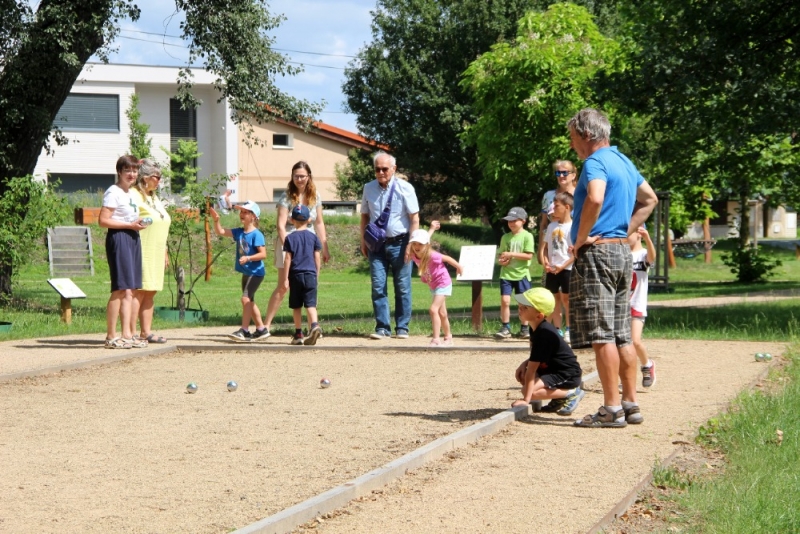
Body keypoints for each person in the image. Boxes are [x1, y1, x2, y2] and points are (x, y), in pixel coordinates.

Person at [567, 108, 658, 428]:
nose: (572, 144)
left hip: (598, 256)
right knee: (622, 335)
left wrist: (579, 239)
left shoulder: (595, 162)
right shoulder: (624, 160)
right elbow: (650, 199)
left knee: (603, 335)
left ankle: (610, 409)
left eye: (573, 137)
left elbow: (594, 198)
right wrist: (626, 230)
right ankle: (630, 404)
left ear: (586, 135)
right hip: (622, 255)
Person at [262, 161, 330, 337]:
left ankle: (312, 327)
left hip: (308, 243)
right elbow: (280, 224)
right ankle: (265, 326)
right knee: (284, 285)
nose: (299, 179)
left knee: (309, 284)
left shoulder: (316, 196)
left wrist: (325, 246)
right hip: (289, 243)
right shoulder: (287, 196)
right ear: (292, 177)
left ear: (309, 177)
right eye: (296, 176)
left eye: (302, 176)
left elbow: (319, 222)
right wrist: (289, 247)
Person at [360, 152, 420, 340]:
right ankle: (382, 328)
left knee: (402, 286)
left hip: (401, 243)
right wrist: (363, 240)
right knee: (378, 286)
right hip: (376, 246)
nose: (380, 172)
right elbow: (364, 216)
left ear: (393, 169)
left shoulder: (405, 188)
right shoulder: (368, 188)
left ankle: (402, 327)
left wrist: (412, 244)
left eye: (384, 169)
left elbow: (414, 218)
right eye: (377, 169)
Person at [99, 155, 149, 349]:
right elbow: (103, 220)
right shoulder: (114, 192)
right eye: (127, 170)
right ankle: (111, 336)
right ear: (119, 172)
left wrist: (136, 225)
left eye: (135, 171)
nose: (132, 174)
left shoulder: (130, 193)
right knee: (119, 289)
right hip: (119, 238)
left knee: (131, 288)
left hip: (132, 237)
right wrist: (129, 225)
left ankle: (127, 334)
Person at [510, 287, 585, 416]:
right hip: (552, 369)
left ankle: (571, 393)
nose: (520, 308)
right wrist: (524, 364)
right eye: (520, 305)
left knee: (530, 392)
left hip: (566, 374)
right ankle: (559, 397)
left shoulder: (544, 334)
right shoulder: (535, 328)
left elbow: (532, 370)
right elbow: (538, 355)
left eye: (525, 307)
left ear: (539, 315)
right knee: (524, 377)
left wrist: (526, 400)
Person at [208, 200, 269, 342]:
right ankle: (261, 329)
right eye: (241, 211)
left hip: (256, 273)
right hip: (246, 273)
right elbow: (221, 231)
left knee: (245, 299)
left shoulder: (256, 234)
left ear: (253, 216)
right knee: (249, 301)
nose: (242, 214)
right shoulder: (240, 232)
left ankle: (244, 331)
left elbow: (263, 254)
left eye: (246, 212)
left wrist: (248, 258)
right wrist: (216, 221)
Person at [130, 159, 171, 344]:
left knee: (151, 291)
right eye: (156, 177)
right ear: (145, 178)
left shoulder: (154, 197)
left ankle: (145, 332)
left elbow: (161, 223)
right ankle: (130, 333)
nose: (159, 181)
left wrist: (164, 251)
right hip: (141, 248)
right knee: (138, 291)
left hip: (156, 250)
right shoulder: (133, 195)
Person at [408, 228, 463, 347]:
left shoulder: (432, 255)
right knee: (442, 313)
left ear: (427, 245)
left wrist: (459, 266)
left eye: (420, 244)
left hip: (443, 283)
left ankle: (436, 339)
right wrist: (423, 275)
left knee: (433, 309)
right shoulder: (414, 255)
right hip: (434, 285)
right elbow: (421, 264)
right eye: (414, 244)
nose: (417, 246)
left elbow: (447, 258)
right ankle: (448, 338)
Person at [281, 205, 323, 346]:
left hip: (296, 275)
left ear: (292, 220)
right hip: (310, 274)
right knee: (311, 304)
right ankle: (314, 326)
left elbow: (287, 259)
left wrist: (285, 278)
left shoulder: (289, 238)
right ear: (309, 219)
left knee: (297, 306)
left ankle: (298, 334)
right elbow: (317, 258)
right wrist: (316, 274)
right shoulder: (314, 237)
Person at [494, 207, 535, 340]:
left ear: (523, 221)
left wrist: (511, 254)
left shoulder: (527, 236)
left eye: (514, 220)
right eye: (509, 221)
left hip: (522, 274)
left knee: (522, 303)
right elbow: (501, 256)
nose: (511, 223)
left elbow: (529, 256)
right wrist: (502, 261)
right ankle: (505, 327)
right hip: (506, 274)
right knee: (505, 301)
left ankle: (524, 328)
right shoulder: (505, 237)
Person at [542, 191, 574, 343]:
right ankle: (556, 328)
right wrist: (546, 263)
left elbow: (575, 253)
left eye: (556, 206)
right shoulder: (552, 226)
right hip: (552, 268)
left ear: (567, 207)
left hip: (567, 269)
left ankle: (569, 329)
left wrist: (562, 266)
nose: (553, 209)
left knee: (567, 300)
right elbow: (547, 248)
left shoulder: (574, 227)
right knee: (552, 299)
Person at [629, 224, 657, 387]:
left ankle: (647, 365)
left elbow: (652, 257)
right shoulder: (622, 254)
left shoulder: (642, 254)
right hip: (621, 307)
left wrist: (648, 238)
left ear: (638, 234)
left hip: (637, 305)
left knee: (635, 341)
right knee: (622, 346)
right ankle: (627, 378)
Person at [538, 160, 577, 267]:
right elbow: (544, 224)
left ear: (573, 175)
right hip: (553, 246)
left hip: (573, 246)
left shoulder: (581, 195)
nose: (561, 175)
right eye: (558, 173)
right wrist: (541, 250)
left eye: (565, 173)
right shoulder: (548, 196)